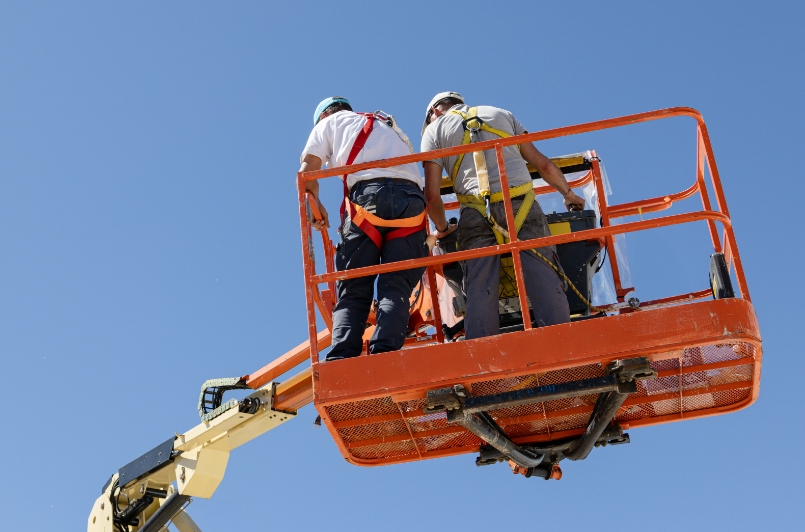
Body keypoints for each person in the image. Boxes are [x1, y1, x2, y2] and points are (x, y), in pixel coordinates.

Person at [420, 92, 586, 339]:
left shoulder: (434, 132)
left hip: (475, 213)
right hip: (522, 204)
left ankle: (483, 358)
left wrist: (443, 230)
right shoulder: (501, 114)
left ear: (434, 112)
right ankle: (562, 344)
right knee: (543, 275)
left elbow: (432, 197)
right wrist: (569, 194)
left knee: (479, 286)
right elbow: (544, 165)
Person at [300, 96, 428, 360]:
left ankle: (343, 357)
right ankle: (386, 353)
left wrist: (315, 206)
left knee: (354, 287)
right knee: (397, 285)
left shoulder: (328, 125)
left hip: (369, 201)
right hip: (412, 204)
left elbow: (307, 173)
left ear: (324, 116)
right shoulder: (389, 125)